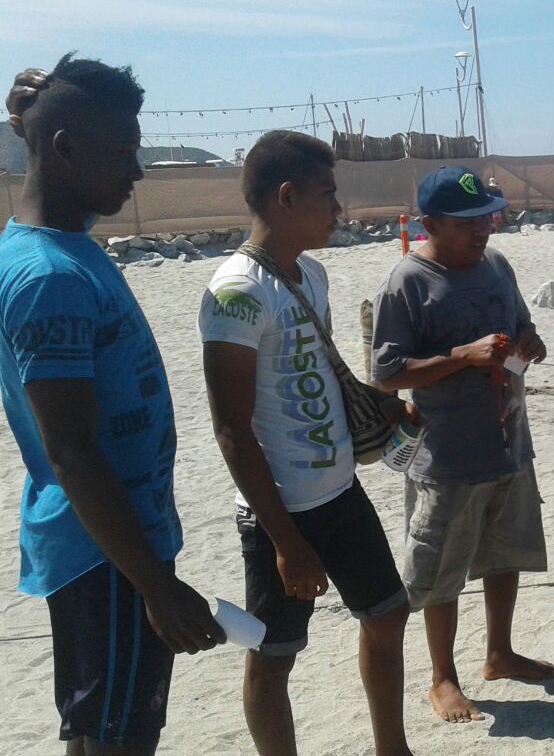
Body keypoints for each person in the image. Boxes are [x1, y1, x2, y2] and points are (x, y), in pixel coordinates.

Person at [0, 55, 224, 755]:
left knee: (100, 723)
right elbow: (70, 449)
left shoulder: (61, 248)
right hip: (109, 553)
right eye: (123, 153)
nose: (137, 171)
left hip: (111, 542)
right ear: (65, 150)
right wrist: (157, 585)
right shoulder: (49, 277)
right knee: (117, 735)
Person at [199, 130, 415, 756]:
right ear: (287, 197)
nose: (339, 209)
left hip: (338, 491)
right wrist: (287, 544)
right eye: (329, 195)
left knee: (387, 613)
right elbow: (232, 431)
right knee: (274, 656)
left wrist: (387, 409)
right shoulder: (236, 293)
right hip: (279, 514)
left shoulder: (311, 274)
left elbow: (321, 374)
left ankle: (391, 748)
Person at [371, 165, 554, 724]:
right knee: (441, 568)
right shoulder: (407, 282)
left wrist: (531, 342)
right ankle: (442, 678)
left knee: (505, 554)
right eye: (468, 221)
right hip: (446, 457)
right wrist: (460, 357)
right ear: (429, 223)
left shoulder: (497, 265)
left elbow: (524, 328)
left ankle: (499, 653)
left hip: (507, 443)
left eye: (488, 217)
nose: (484, 230)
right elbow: (385, 373)